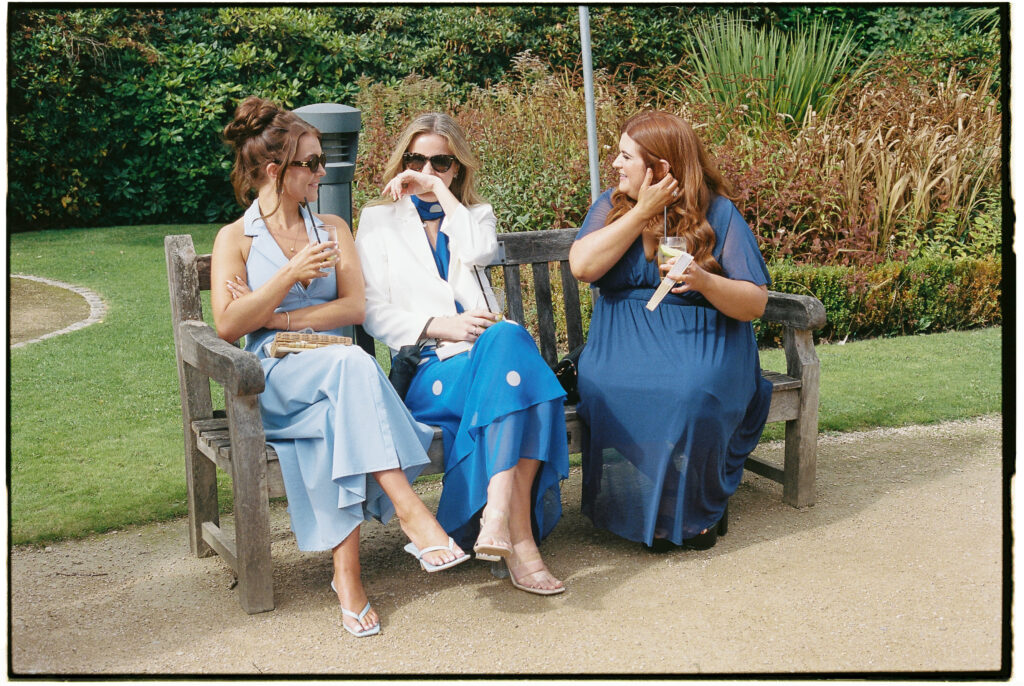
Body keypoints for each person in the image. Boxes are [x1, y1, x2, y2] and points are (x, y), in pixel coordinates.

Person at [211, 96, 469, 638]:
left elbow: (354, 308)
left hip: (334, 383)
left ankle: (347, 578)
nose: (323, 173)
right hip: (273, 380)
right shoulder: (235, 239)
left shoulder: (332, 226)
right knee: (348, 360)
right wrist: (289, 275)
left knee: (340, 400)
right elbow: (230, 327)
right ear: (278, 171)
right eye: (312, 163)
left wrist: (274, 312)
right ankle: (410, 511)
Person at [355, 113, 569, 595]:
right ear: (402, 160)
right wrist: (437, 325)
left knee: (507, 338)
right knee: (528, 386)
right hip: (429, 367)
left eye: (441, 162)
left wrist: (444, 195)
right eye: (417, 159)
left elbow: (478, 250)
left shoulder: (475, 216)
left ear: (458, 168)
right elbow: (369, 308)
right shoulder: (378, 220)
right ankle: (518, 539)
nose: (427, 170)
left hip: (487, 357)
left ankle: (498, 517)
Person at [568, 110, 772, 551]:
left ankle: (694, 505)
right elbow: (583, 266)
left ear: (660, 168)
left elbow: (755, 302)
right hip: (621, 341)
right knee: (605, 388)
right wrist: (642, 210)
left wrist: (703, 280)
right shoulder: (611, 205)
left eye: (626, 156)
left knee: (692, 391)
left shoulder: (718, 210)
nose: (615, 164)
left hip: (701, 336)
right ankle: (665, 496)